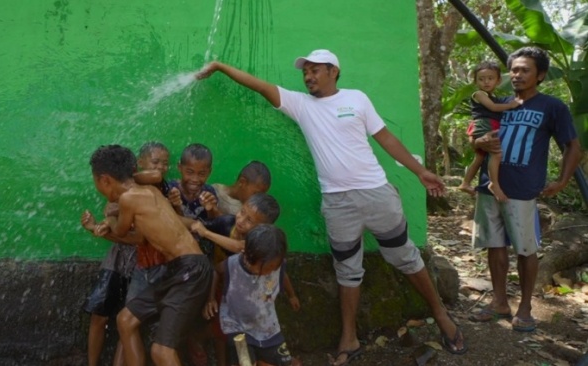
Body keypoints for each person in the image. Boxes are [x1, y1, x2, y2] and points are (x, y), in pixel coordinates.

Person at [196, 49, 463, 364]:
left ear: (333, 71)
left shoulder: (357, 99)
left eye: (314, 70)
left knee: (405, 255)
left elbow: (386, 139)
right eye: (304, 72)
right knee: (348, 269)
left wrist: (421, 172)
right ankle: (348, 336)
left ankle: (440, 314)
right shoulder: (301, 105)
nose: (308, 76)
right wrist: (220, 66)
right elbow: (260, 86)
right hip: (338, 204)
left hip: (377, 193)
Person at [469, 47, 580, 332]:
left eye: (525, 70)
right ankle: (499, 302)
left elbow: (572, 145)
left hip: (522, 188)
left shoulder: (552, 107)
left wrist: (563, 180)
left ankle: (526, 307)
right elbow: (476, 139)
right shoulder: (500, 103)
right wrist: (481, 142)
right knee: (494, 246)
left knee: (525, 249)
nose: (517, 75)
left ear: (540, 75)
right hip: (488, 186)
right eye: (514, 70)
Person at [89, 144, 212, 366]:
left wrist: (104, 224)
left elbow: (121, 233)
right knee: (125, 320)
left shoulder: (128, 199)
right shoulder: (149, 189)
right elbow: (141, 238)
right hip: (182, 268)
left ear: (105, 179)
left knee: (161, 351)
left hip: (190, 269)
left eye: (96, 181)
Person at [189, 192, 284, 366]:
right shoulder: (228, 223)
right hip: (222, 286)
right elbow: (200, 225)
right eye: (242, 213)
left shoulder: (259, 246)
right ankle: (201, 343)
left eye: (250, 221)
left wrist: (206, 233)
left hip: (247, 295)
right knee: (221, 329)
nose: (240, 220)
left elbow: (242, 247)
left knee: (228, 332)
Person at [203, 224, 300, 366]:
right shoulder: (232, 265)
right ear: (249, 256)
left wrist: (292, 295)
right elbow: (216, 271)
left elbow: (282, 275)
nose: (272, 270)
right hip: (236, 325)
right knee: (245, 362)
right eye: (267, 267)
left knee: (280, 362)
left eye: (275, 267)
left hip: (267, 325)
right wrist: (211, 298)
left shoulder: (277, 266)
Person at [116, 141, 172, 366]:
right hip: (143, 265)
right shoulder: (131, 191)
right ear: (140, 163)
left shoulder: (164, 186)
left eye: (165, 163)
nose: (161, 168)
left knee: (160, 332)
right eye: (156, 162)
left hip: (165, 266)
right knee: (126, 324)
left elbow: (155, 178)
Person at [458, 61, 522, 201]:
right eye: (481, 79)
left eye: (490, 78)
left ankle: (465, 183)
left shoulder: (492, 96)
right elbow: (493, 108)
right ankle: (494, 184)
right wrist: (511, 105)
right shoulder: (479, 94)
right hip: (483, 124)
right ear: (475, 82)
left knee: (480, 157)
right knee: (496, 153)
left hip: (487, 124)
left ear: (498, 81)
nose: (486, 82)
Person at [81, 204, 136, 366]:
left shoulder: (157, 191)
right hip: (116, 260)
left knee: (128, 323)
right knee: (98, 314)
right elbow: (110, 210)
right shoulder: (122, 188)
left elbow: (137, 237)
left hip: (142, 264)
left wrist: (95, 227)